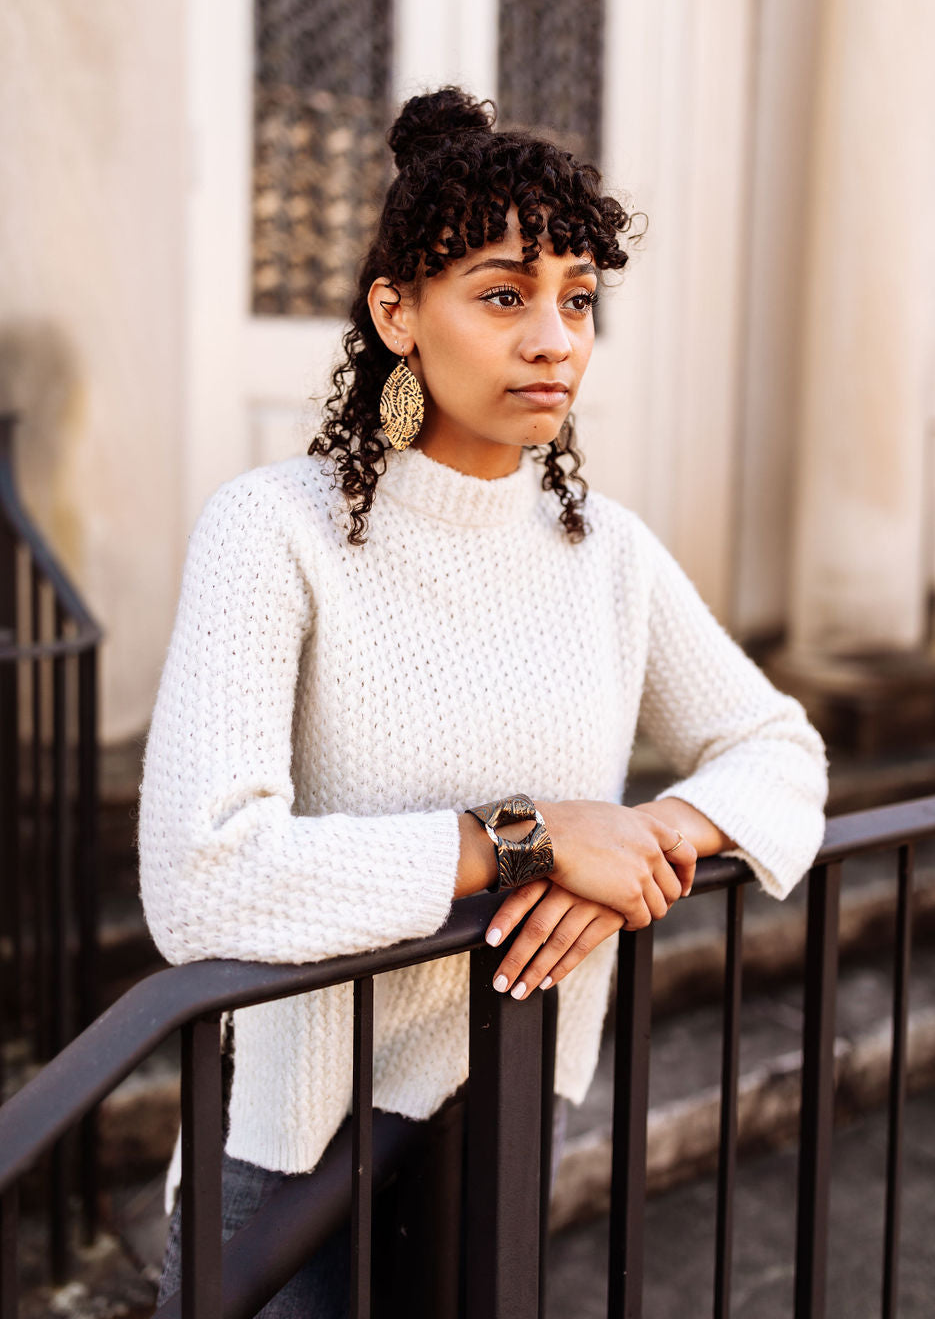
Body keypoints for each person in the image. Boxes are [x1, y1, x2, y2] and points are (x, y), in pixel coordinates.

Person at [140, 86, 828, 1316]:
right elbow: (201, 873)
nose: (554, 338)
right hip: (295, 1147)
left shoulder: (605, 551)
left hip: (500, 1112)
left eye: (578, 299)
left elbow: (776, 747)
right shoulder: (275, 530)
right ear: (396, 313)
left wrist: (648, 840)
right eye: (504, 296)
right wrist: (527, 838)